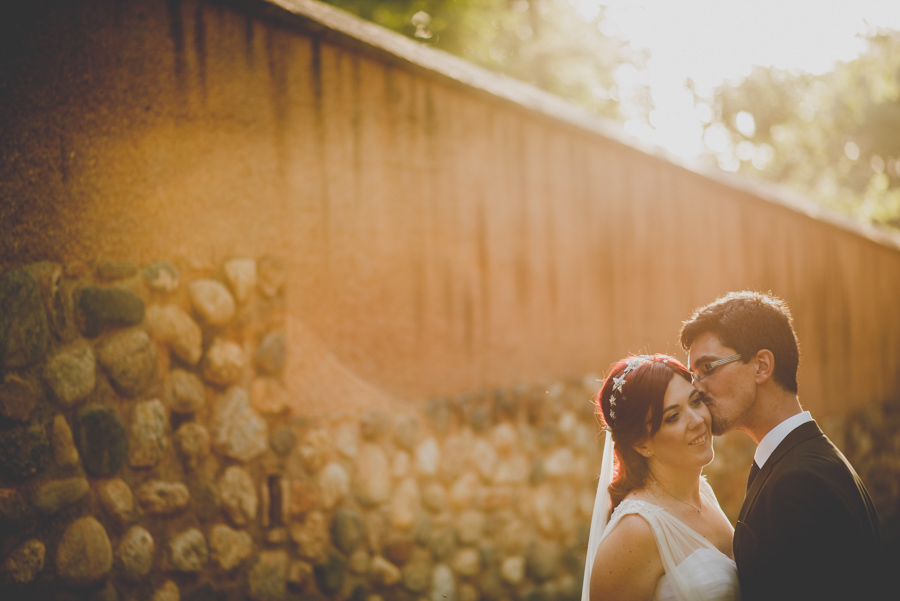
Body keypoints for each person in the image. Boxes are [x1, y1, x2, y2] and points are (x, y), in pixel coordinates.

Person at [679, 291, 882, 601]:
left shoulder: (798, 483)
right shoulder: (809, 460)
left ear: (761, 366)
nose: (697, 388)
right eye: (693, 375)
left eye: (707, 368)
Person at [582, 354, 740, 601]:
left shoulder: (703, 492)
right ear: (641, 444)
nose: (697, 420)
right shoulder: (635, 532)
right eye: (673, 417)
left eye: (696, 401)